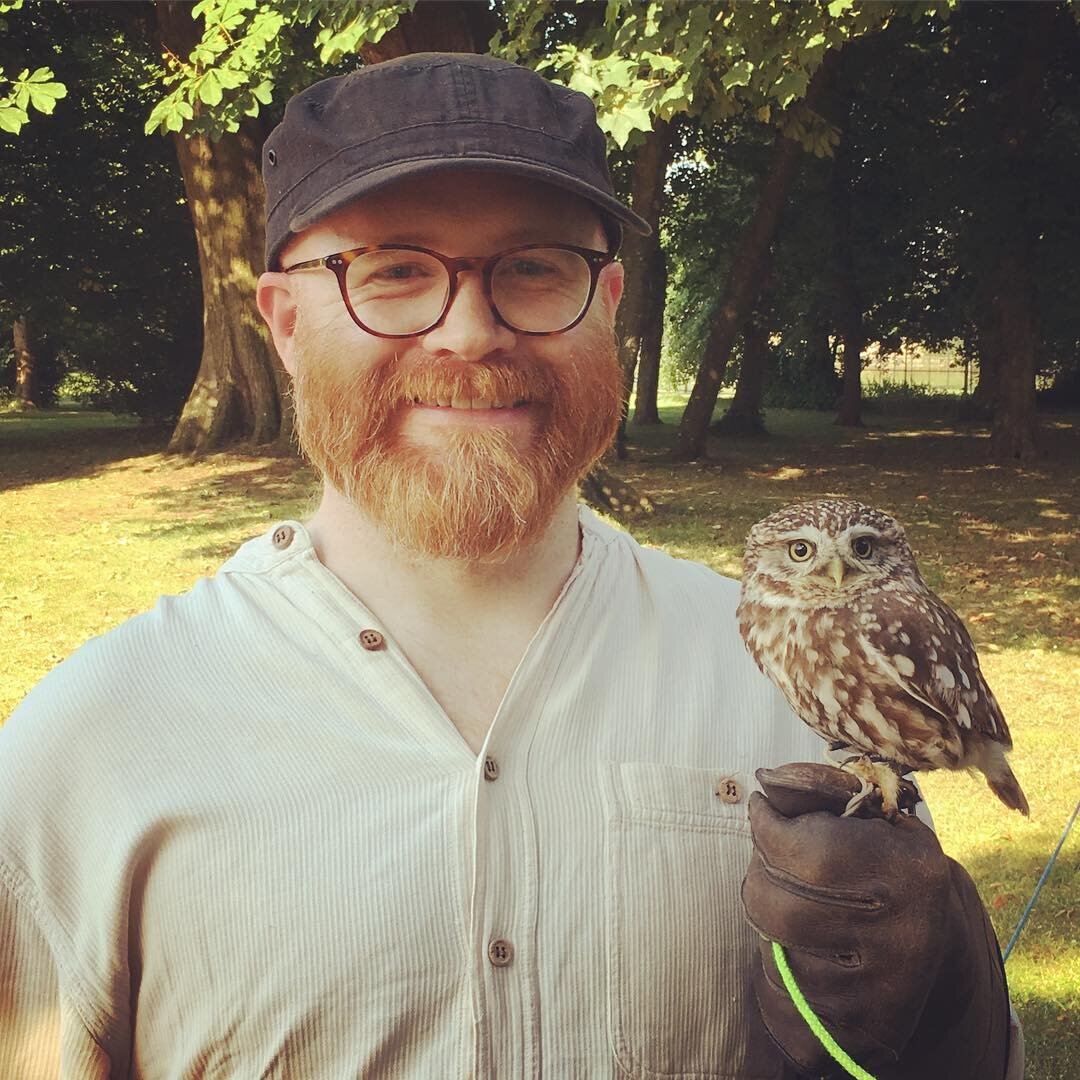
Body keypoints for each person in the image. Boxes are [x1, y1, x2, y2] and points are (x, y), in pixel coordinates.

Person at [0, 53, 1022, 1079]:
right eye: (392, 271)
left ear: (608, 302)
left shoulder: (791, 683)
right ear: (282, 320)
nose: (471, 332)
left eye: (534, 267)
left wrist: (947, 1020)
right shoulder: (95, 742)